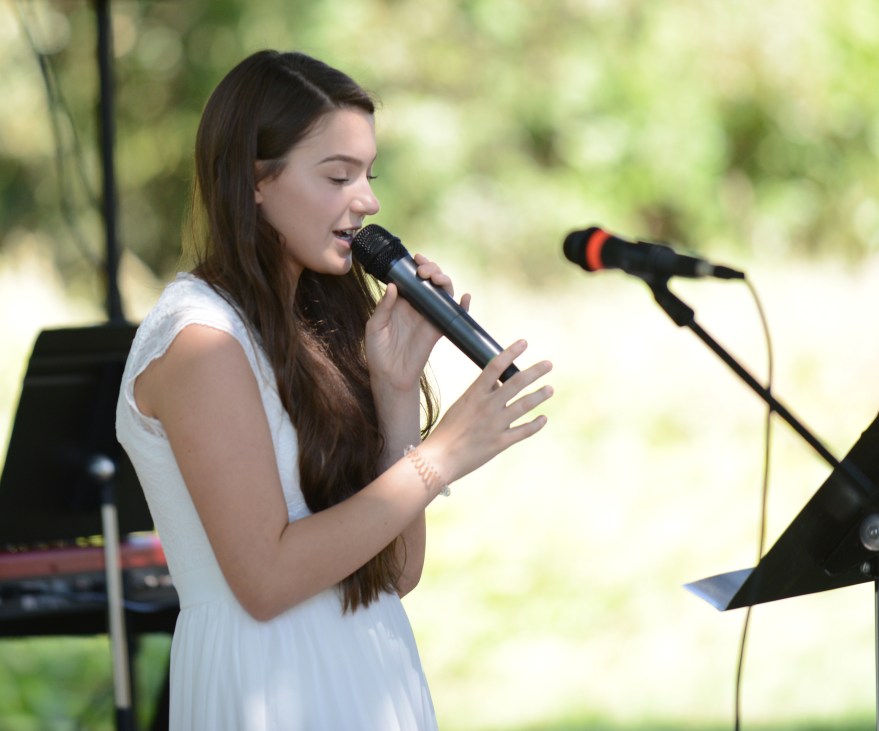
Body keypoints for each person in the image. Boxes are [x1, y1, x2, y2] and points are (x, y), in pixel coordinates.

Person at [115, 49, 553, 730]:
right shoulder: (200, 340)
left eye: (368, 175)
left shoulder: (315, 321)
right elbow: (264, 582)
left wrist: (394, 389)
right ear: (255, 181)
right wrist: (438, 458)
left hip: (370, 668)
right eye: (337, 175)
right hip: (270, 683)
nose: (368, 201)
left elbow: (397, 572)